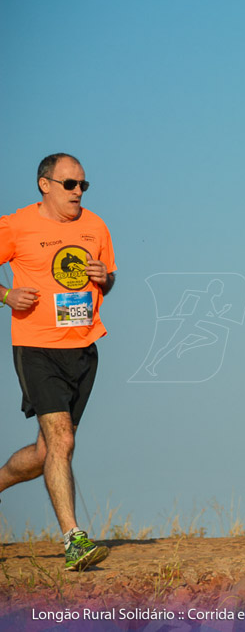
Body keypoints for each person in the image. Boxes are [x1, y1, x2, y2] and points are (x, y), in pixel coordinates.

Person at [0, 153, 116, 571]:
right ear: (44, 184)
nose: (78, 192)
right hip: (36, 347)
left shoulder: (95, 225)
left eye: (83, 185)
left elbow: (111, 279)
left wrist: (106, 277)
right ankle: (74, 541)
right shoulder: (16, 225)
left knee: (47, 449)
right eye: (70, 184)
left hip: (83, 348)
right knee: (62, 441)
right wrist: (6, 294)